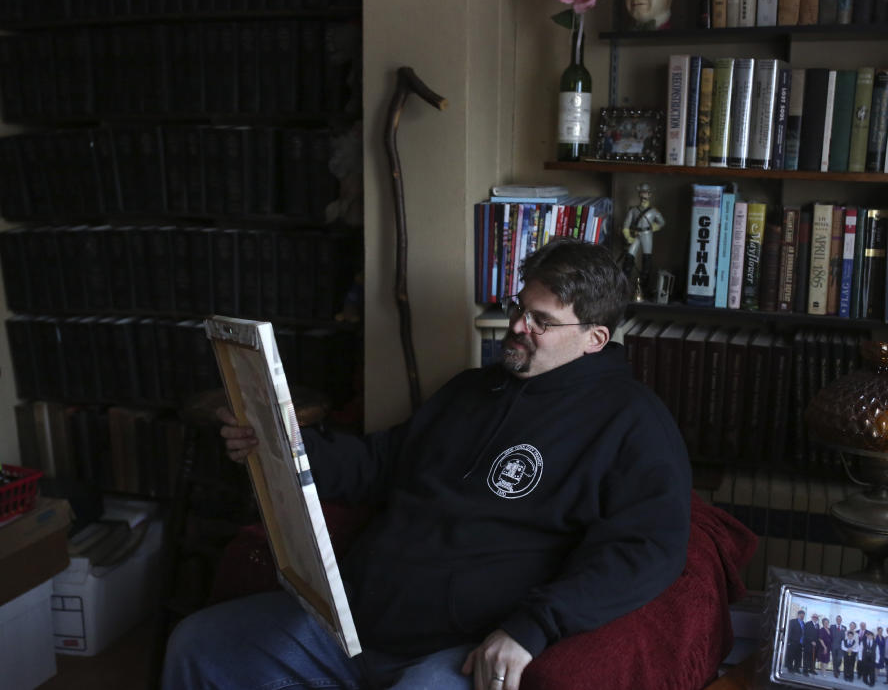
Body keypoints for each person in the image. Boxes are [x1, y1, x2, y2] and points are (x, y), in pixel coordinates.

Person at [161, 239, 692, 690]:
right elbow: (380, 462)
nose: (516, 326)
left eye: (541, 321)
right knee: (200, 645)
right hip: (352, 624)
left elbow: (647, 549)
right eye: (518, 307)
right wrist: (285, 446)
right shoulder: (471, 388)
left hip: (457, 650)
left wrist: (533, 627)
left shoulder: (632, 424)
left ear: (594, 339)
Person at [619, 182, 665, 298]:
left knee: (647, 261)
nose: (644, 195)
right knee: (628, 259)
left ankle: (644, 288)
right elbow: (625, 225)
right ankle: (623, 288)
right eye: (642, 192)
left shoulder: (653, 211)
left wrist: (653, 227)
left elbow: (662, 222)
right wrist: (628, 236)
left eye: (646, 192)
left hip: (647, 235)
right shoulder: (633, 210)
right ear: (639, 194)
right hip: (635, 235)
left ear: (649, 194)